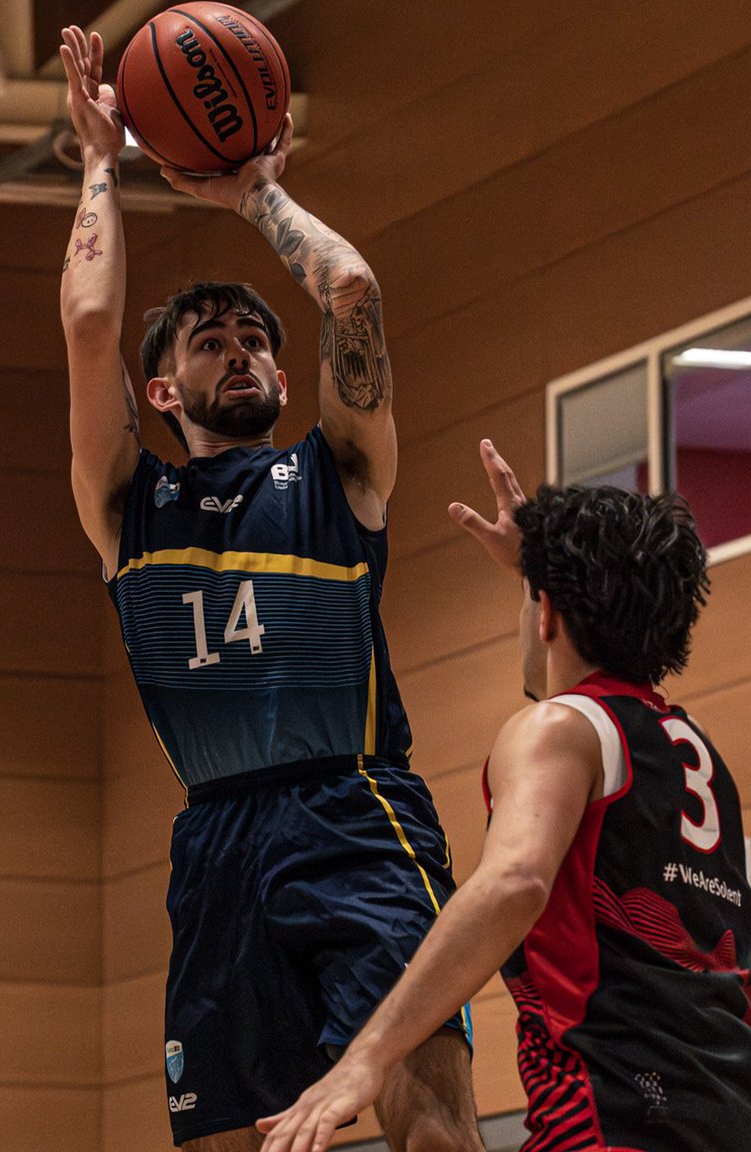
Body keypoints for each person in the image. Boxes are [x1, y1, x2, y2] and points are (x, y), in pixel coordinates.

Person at [58, 26, 485, 1152]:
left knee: (430, 1120)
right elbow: (92, 323)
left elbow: (348, 287)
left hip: (357, 814)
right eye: (209, 341)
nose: (239, 350)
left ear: (286, 375)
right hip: (215, 844)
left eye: (255, 338)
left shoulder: (337, 473)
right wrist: (102, 155)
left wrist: (254, 191)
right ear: (163, 387)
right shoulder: (123, 502)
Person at [257, 439, 751, 1152]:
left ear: (548, 612)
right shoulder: (690, 743)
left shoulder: (559, 731)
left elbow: (516, 880)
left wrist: (367, 1056)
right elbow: (566, 700)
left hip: (611, 1122)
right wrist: (537, 575)